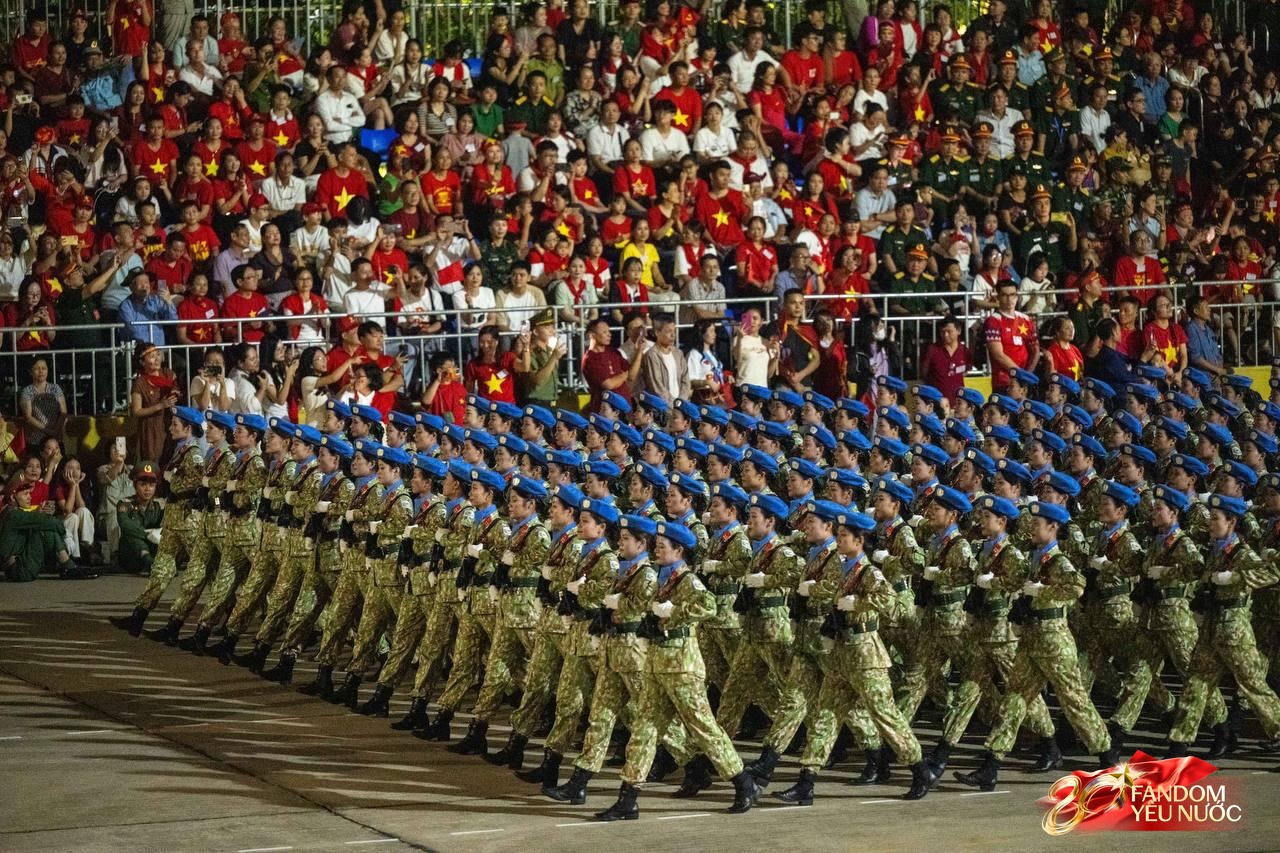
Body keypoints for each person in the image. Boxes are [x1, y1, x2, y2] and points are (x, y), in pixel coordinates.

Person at [129, 343, 180, 464]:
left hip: (170, 423)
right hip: (151, 429)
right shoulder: (140, 383)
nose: (157, 359)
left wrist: (175, 393)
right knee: (153, 463)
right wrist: (160, 406)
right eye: (151, 356)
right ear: (142, 362)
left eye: (158, 354)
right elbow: (136, 411)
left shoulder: (168, 374)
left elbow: (177, 390)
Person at [17, 358, 66, 449]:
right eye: (37, 368)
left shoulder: (55, 388)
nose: (41, 371)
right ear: (30, 372)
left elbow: (63, 412)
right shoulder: (27, 391)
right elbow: (28, 417)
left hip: (56, 438)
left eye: (44, 368)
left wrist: (55, 431)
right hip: (36, 438)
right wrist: (48, 430)